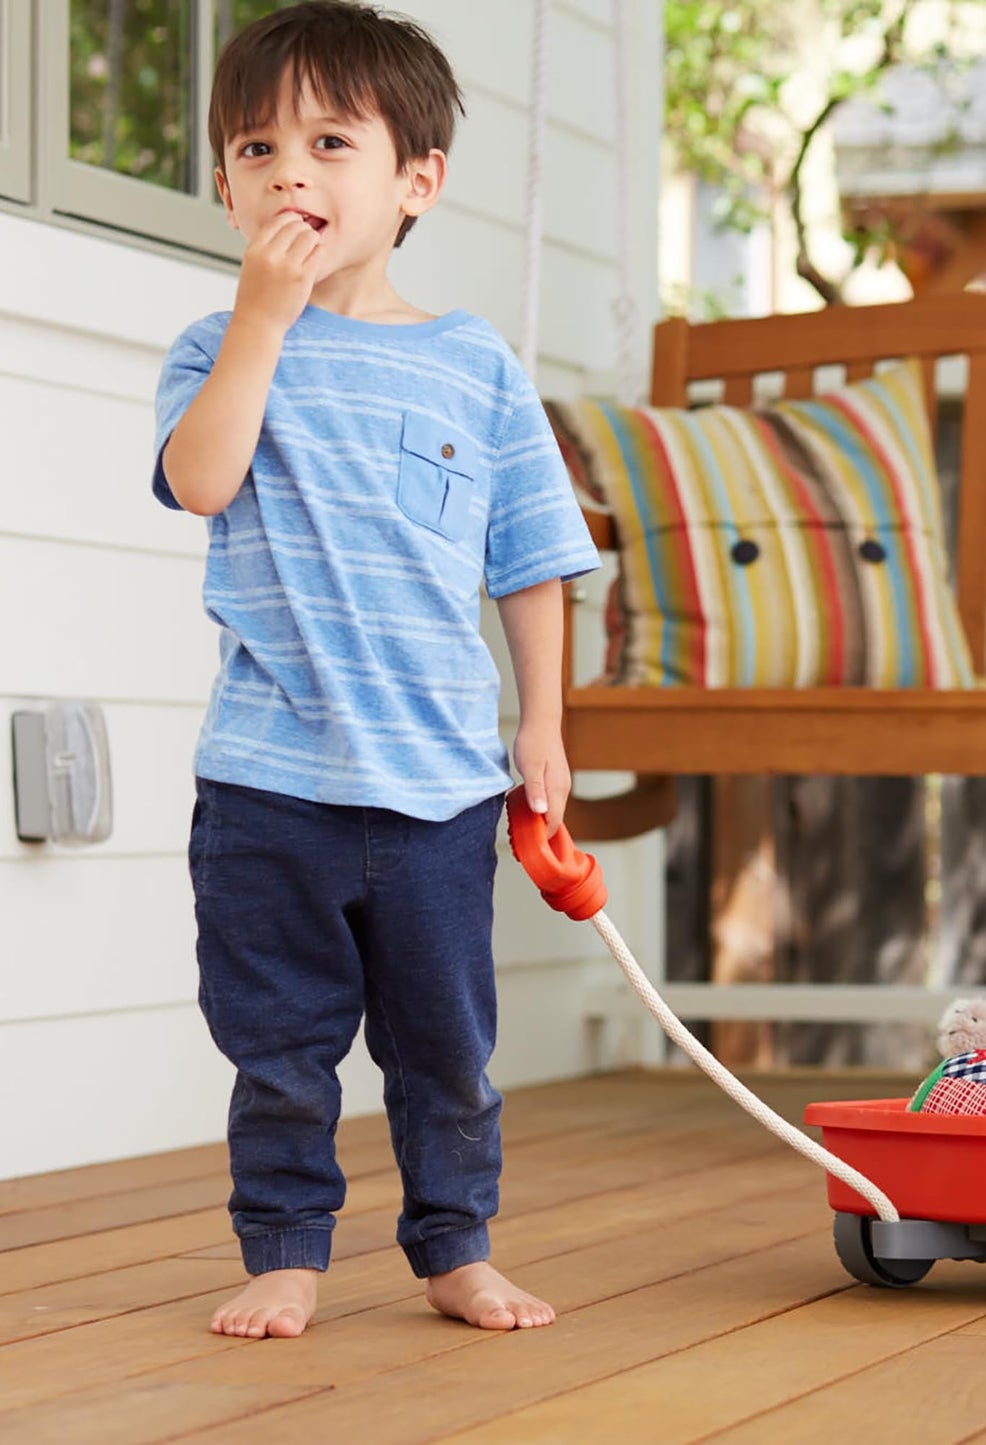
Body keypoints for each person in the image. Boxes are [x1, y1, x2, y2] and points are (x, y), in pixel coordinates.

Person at [152, 1, 598, 1339]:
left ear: (415, 181)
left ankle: (454, 1245)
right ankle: (285, 1248)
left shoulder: (474, 367)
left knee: (445, 1049)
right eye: (254, 147)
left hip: (440, 790)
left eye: (329, 141)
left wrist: (547, 728)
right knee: (277, 1048)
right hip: (266, 786)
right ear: (227, 185)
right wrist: (259, 322)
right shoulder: (215, 345)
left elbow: (529, 556)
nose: (288, 171)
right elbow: (200, 476)